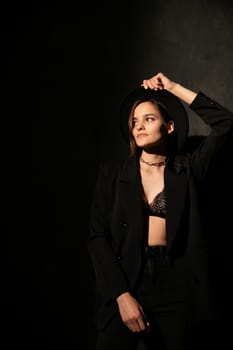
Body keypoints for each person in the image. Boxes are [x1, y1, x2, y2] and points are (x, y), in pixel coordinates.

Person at [87, 72, 233, 350]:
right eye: (134, 121)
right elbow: (97, 237)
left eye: (149, 119)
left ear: (169, 127)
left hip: (177, 285)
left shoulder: (187, 170)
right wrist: (120, 294)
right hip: (126, 278)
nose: (139, 126)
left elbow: (226, 123)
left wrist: (173, 87)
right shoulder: (112, 175)